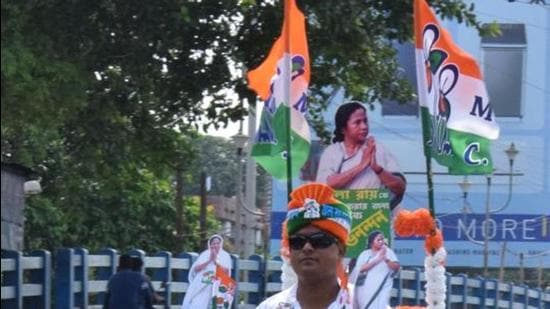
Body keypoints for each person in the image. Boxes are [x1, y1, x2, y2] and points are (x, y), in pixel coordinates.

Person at [257, 182, 354, 309]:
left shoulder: (366, 304)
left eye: (319, 240)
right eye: (297, 241)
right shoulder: (269, 307)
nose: (307, 247)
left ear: (341, 250)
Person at [316, 101, 406, 209]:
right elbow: (325, 186)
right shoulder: (333, 152)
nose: (364, 126)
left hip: (374, 220)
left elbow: (400, 187)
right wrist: (361, 166)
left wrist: (378, 169)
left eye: (365, 121)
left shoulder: (379, 149)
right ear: (343, 129)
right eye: (357, 122)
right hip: (341, 220)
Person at [349, 230, 400, 309]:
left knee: (381, 305)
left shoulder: (388, 252)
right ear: (371, 242)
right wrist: (377, 260)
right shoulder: (365, 254)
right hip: (365, 289)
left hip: (383, 287)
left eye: (382, 239)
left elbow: (396, 267)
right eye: (379, 240)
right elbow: (360, 269)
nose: (381, 241)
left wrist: (386, 259)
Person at [181, 234, 233, 309]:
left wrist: (215, 261)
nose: (216, 245)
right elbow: (196, 269)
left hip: (217, 286)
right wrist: (209, 260)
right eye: (214, 243)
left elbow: (227, 271)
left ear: (220, 244)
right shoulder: (204, 254)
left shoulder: (225, 256)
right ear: (210, 244)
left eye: (218, 243)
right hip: (202, 284)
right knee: (196, 304)